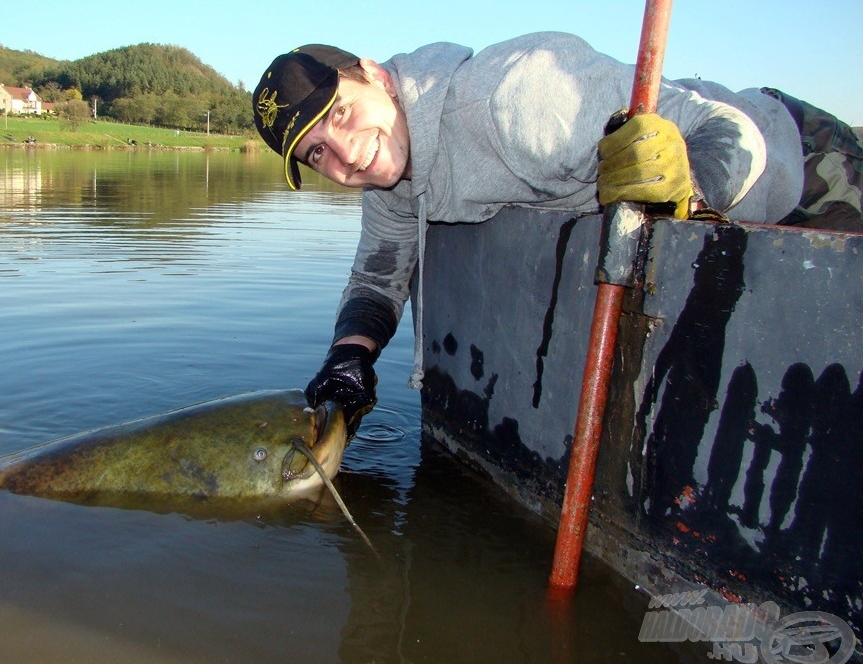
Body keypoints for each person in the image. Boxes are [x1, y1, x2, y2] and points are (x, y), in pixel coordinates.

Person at [251, 34, 863, 423]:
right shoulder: (391, 179)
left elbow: (730, 130)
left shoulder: (516, 99)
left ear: (377, 76)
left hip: (801, 160)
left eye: (340, 113)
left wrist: (688, 185)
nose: (347, 154)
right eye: (316, 154)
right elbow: (378, 277)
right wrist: (348, 360)